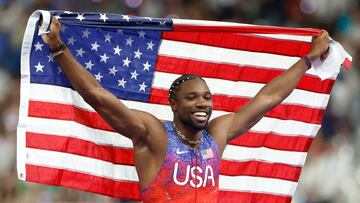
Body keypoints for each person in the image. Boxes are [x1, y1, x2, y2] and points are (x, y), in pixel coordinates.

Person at [43, 17, 330, 202]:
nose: (203, 103)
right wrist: (58, 49)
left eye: (206, 97)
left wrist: (307, 60)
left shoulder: (217, 134)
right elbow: (99, 97)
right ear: (174, 104)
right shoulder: (152, 134)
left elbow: (268, 98)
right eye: (192, 98)